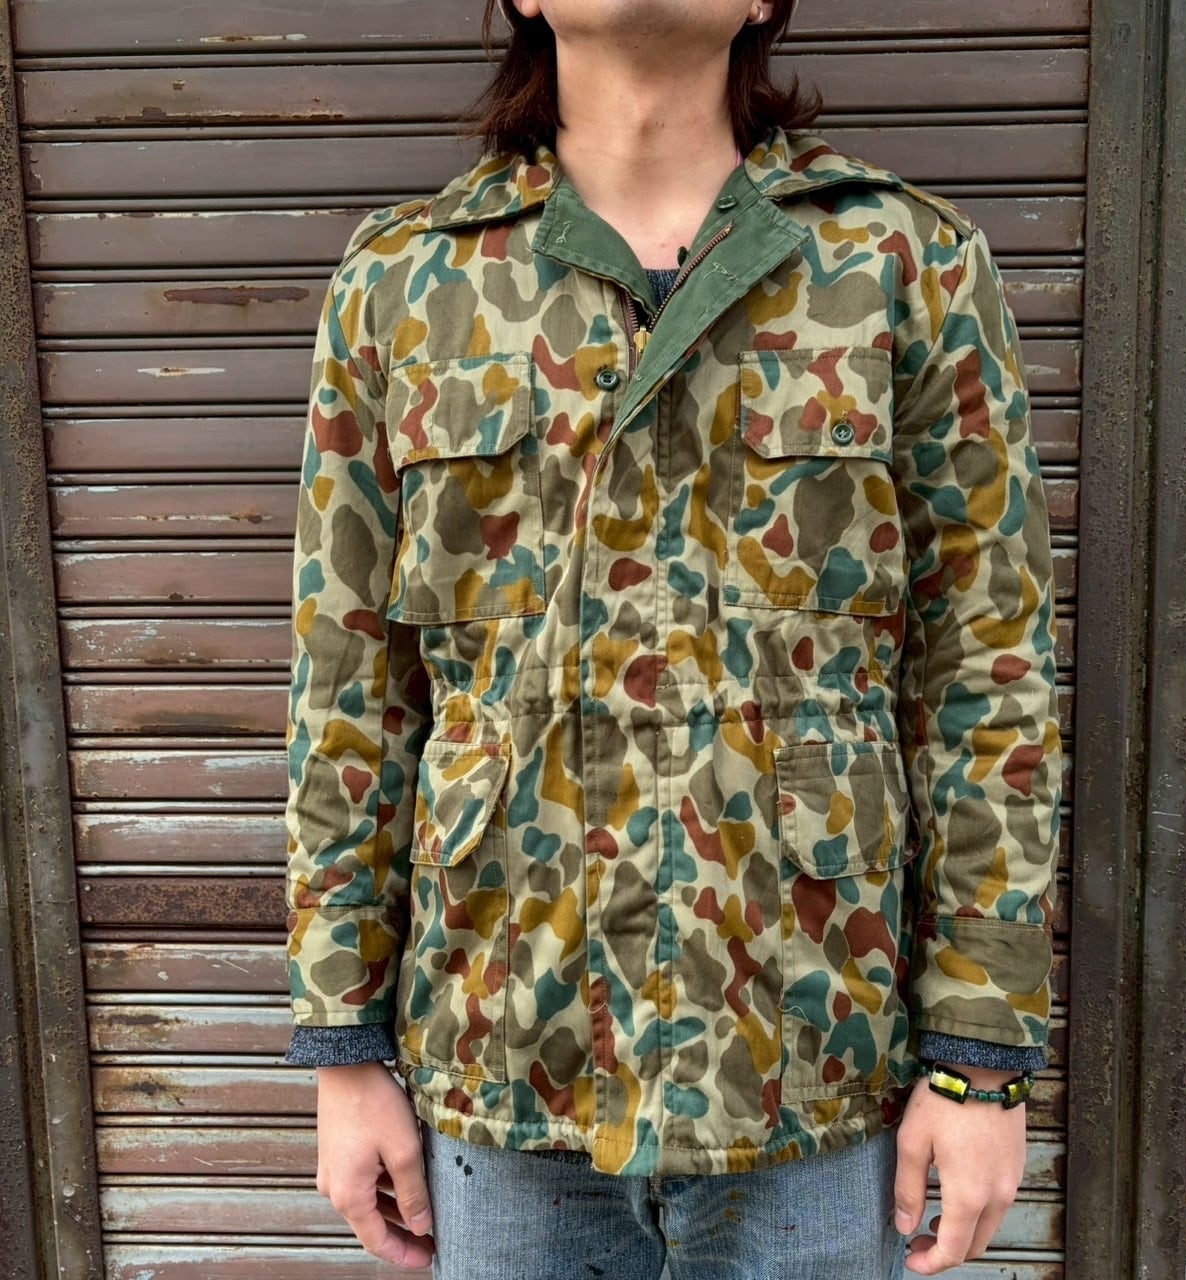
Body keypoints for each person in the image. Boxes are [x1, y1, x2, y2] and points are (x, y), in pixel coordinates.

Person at [281, 2, 1063, 1276]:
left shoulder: (896, 264)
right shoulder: (406, 284)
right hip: (502, 1060)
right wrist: (342, 1045)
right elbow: (348, 689)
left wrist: (980, 1056)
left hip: (812, 1058)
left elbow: (986, 670)